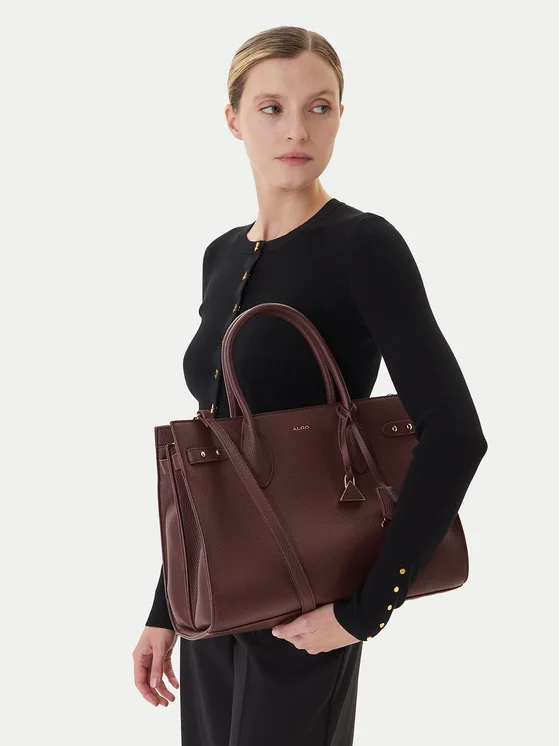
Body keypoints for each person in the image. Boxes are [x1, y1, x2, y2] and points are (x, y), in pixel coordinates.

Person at [132, 25, 488, 746]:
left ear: (340, 117)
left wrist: (366, 610)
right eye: (271, 108)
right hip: (219, 604)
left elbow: (455, 433)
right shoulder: (221, 255)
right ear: (233, 119)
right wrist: (167, 608)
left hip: (310, 607)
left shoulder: (363, 245)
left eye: (318, 107)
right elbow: (215, 450)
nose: (297, 129)